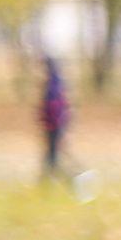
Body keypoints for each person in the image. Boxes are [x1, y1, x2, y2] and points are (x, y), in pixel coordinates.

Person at [38, 56, 72, 184]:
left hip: (53, 125)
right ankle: (45, 180)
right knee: (51, 153)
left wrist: (47, 122)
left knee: (52, 155)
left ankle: (49, 180)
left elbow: (52, 107)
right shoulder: (58, 83)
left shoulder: (51, 85)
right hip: (57, 124)